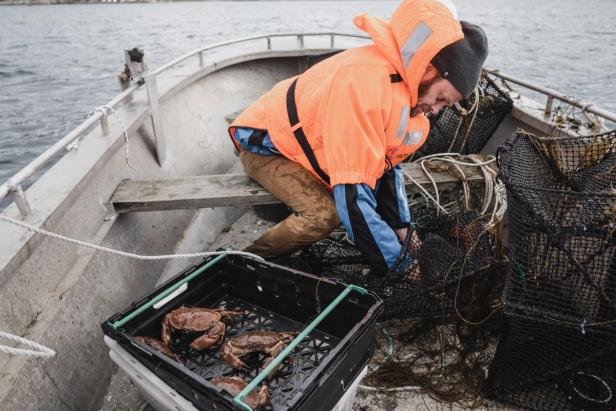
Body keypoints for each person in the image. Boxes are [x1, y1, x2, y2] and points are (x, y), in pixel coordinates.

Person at [228, 0, 488, 275]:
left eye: (444, 106)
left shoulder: (405, 96)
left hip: (306, 146)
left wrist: (404, 231)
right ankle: (244, 261)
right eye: (440, 98)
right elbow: (352, 197)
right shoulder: (364, 87)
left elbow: (388, 168)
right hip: (267, 146)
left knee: (365, 206)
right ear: (428, 71)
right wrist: (403, 267)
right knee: (324, 215)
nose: (435, 111)